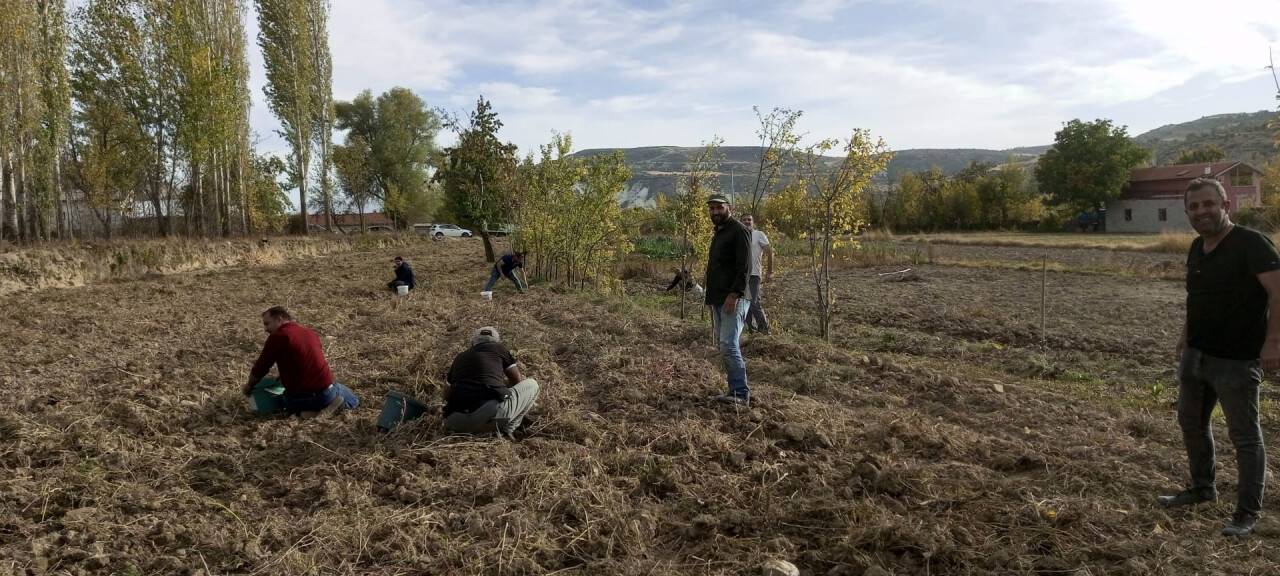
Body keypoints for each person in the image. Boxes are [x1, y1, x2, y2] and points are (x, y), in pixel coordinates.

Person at [1158, 178, 1280, 537]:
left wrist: (1274, 343)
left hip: (1237, 361)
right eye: (1194, 207)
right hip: (1196, 355)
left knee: (1245, 437)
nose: (1202, 212)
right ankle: (1202, 488)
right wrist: (1185, 337)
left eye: (1209, 204)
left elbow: (1278, 294)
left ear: (1226, 206)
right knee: (1192, 425)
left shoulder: (1251, 243)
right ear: (1188, 213)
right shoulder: (1197, 247)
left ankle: (1246, 513)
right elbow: (1196, 297)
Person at [243, 306, 359, 416]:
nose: (265, 329)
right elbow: (307, 362)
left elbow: (260, 368)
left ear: (279, 319)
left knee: (280, 401)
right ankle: (326, 408)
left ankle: (307, 413)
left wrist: (249, 386)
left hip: (300, 399)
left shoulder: (277, 337)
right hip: (328, 392)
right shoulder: (310, 333)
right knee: (353, 400)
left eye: (267, 324)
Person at [442, 326, 540, 438]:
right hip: (489, 416)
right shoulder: (499, 348)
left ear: (473, 342)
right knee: (532, 384)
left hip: (455, 421)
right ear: (497, 341)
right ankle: (507, 430)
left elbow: (446, 395)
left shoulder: (459, 357)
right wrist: (501, 385)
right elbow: (517, 381)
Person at [704, 193, 752, 405]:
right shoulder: (720, 232)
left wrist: (734, 295)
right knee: (725, 345)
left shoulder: (738, 231)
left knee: (729, 345)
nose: (715, 212)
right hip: (719, 297)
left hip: (733, 297)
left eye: (719, 207)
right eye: (712, 208)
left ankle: (740, 394)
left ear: (728, 207)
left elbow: (744, 267)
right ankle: (734, 390)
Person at [741, 214, 773, 335]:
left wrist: (770, 272)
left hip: (754, 274)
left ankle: (764, 329)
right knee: (744, 302)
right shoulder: (739, 236)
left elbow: (769, 251)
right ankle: (752, 331)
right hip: (741, 275)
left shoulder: (759, 234)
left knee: (754, 302)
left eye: (749, 220)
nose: (747, 222)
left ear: (753, 222)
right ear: (741, 222)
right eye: (744, 220)